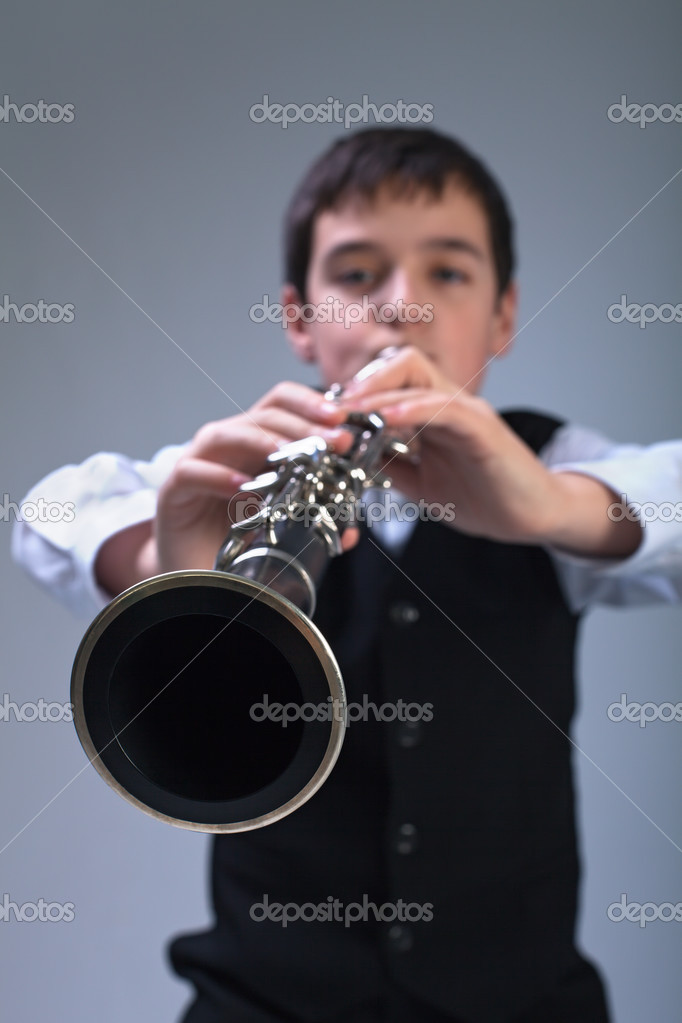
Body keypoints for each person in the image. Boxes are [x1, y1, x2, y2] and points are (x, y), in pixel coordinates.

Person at [12, 127, 682, 1023]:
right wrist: (168, 557)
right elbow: (40, 511)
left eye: (448, 272)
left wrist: (553, 506)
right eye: (357, 274)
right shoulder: (241, 471)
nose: (402, 307)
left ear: (504, 315)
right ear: (299, 318)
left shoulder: (555, 464)